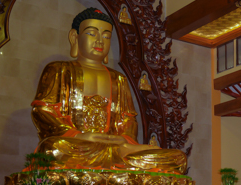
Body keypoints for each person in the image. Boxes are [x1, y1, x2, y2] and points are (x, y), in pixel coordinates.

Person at [31, 7, 186, 173]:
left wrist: (121, 140)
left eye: (106, 36)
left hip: (115, 147)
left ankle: (117, 159)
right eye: (92, 33)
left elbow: (128, 120)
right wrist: (78, 135)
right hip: (78, 146)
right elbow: (42, 111)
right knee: (52, 150)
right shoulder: (59, 69)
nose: (100, 41)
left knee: (177, 158)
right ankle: (115, 163)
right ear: (74, 37)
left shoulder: (118, 79)